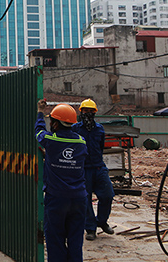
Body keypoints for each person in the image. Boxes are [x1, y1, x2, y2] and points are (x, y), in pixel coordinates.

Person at [36, 100, 88, 262]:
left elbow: (38, 131)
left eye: (51, 121)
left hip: (57, 198)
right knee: (75, 239)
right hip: (79, 198)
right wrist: (50, 156)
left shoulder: (51, 140)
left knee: (55, 238)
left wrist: (39, 112)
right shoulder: (81, 142)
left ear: (56, 124)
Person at [73, 98, 115, 241]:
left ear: (95, 113)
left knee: (107, 195)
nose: (88, 114)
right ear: (81, 112)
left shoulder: (99, 129)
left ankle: (102, 221)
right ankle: (90, 229)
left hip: (98, 167)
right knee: (85, 200)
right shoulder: (75, 129)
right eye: (86, 111)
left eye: (91, 111)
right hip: (83, 169)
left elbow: (101, 146)